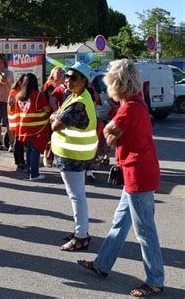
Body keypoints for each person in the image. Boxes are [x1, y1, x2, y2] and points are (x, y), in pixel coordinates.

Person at [78, 59, 164, 298]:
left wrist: (110, 130)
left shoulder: (129, 108)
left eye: (110, 83)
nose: (108, 88)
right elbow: (111, 134)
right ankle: (103, 264)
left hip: (138, 175)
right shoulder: (137, 104)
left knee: (145, 230)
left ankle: (155, 280)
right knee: (121, 221)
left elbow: (109, 136)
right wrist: (111, 131)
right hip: (137, 172)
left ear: (118, 84)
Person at [50, 62, 98, 251]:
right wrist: (56, 116)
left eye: (73, 77)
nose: (68, 80)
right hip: (72, 155)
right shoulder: (75, 96)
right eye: (67, 76)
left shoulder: (79, 103)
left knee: (76, 196)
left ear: (84, 81)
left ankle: (81, 236)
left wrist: (54, 117)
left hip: (74, 156)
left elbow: (55, 123)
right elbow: (57, 116)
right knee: (77, 195)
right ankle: (81, 231)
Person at [15, 73, 50, 180]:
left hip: (23, 128)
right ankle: (34, 174)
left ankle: (30, 172)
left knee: (29, 150)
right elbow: (47, 109)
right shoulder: (38, 95)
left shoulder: (18, 96)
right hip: (37, 128)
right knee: (35, 150)